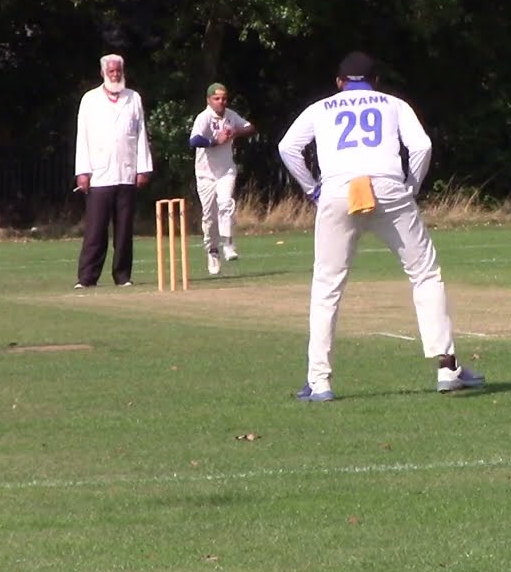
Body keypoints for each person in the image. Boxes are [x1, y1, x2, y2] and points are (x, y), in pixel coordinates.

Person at [277, 51, 484, 402]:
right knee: (424, 274)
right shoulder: (393, 103)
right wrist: (411, 187)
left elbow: (288, 147)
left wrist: (312, 188)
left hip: (339, 189)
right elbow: (422, 146)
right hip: (388, 186)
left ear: (340, 82)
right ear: (375, 81)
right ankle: (447, 368)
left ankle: (320, 381)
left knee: (327, 286)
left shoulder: (320, 108)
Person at [74, 54, 153, 288]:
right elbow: (83, 137)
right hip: (99, 174)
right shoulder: (89, 100)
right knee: (96, 230)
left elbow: (140, 135)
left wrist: (143, 168)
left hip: (126, 172)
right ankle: (87, 278)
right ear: (103, 73)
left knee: (124, 230)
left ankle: (122, 276)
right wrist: (83, 171)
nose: (115, 75)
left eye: (118, 71)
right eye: (111, 71)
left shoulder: (133, 98)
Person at [188, 82, 257, 274]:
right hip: (205, 174)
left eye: (224, 99)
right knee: (209, 217)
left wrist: (236, 131)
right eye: (217, 99)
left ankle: (227, 243)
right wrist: (214, 141)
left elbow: (251, 128)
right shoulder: (203, 117)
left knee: (226, 204)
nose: (221, 102)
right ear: (209, 100)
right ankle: (212, 250)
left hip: (226, 170)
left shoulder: (231, 115)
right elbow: (193, 141)